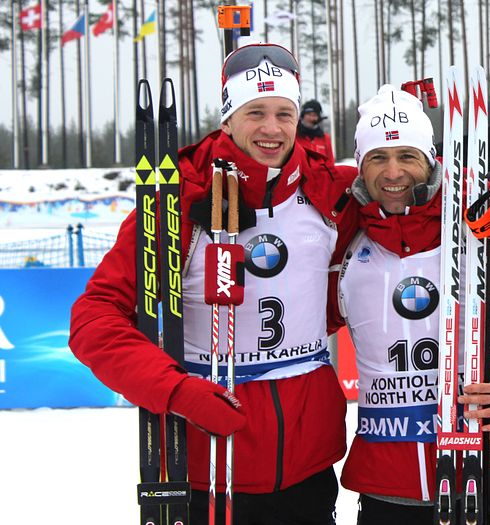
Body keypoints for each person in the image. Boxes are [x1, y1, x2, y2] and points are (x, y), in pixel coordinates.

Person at [69, 43, 358, 524]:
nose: (272, 128)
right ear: (227, 119)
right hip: (207, 465)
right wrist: (175, 390)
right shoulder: (180, 201)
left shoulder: (329, 192)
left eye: (284, 113)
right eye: (255, 112)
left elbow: (404, 202)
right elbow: (94, 318)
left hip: (309, 470)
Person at [331, 85, 490, 524]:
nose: (394, 172)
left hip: (486, 473)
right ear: (359, 166)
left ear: (430, 160)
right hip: (388, 486)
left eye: (408, 157)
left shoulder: (487, 233)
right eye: (378, 158)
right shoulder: (342, 239)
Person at [296, 99, 336, 163]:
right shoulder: (295, 137)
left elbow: (330, 164)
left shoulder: (325, 139)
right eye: (309, 114)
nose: (311, 118)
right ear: (303, 115)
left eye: (314, 115)